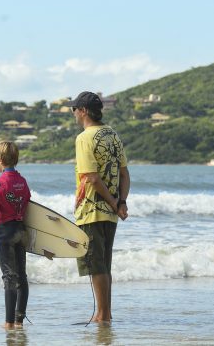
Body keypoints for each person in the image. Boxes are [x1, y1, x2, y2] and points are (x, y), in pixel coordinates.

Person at [68, 91, 130, 324]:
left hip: (91, 211)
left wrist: (115, 203)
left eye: (75, 109)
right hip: (110, 214)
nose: (74, 113)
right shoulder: (112, 134)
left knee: (96, 265)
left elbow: (92, 177)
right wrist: (120, 203)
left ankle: (102, 316)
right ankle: (105, 313)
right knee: (104, 265)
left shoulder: (84, 138)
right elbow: (124, 174)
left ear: (83, 111)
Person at [0, 141, 31, 329]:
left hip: (5, 233)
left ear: (0, 160)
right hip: (21, 231)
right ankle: (19, 321)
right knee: (22, 276)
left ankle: (9, 322)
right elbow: (28, 206)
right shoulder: (22, 182)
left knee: (9, 277)